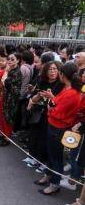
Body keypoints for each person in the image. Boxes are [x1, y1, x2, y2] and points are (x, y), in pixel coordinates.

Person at [38, 62, 82, 195]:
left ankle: (54, 183)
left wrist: (50, 107)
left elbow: (57, 112)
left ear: (64, 75)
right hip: (55, 126)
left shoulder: (72, 92)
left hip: (58, 127)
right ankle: (48, 175)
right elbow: (58, 102)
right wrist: (52, 99)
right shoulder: (67, 88)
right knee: (51, 154)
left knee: (56, 157)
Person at [28, 61, 63, 178]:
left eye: (55, 69)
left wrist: (51, 97)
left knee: (46, 139)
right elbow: (33, 98)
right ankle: (36, 158)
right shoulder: (42, 82)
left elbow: (61, 103)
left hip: (52, 116)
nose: (53, 72)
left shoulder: (61, 85)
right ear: (45, 71)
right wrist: (39, 96)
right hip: (39, 113)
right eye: (50, 69)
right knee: (35, 136)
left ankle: (45, 163)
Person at [0, 53, 22, 146]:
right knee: (1, 115)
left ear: (18, 60)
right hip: (3, 96)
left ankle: (6, 137)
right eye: (9, 59)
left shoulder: (16, 72)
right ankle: (2, 133)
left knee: (7, 118)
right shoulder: (10, 69)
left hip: (10, 99)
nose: (10, 61)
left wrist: (6, 72)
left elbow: (6, 82)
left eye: (12, 59)